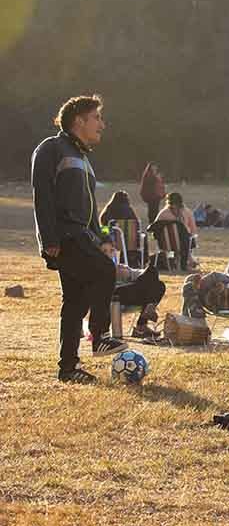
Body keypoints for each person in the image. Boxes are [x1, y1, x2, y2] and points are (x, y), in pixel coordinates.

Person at [31, 95, 127, 383]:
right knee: (105, 270)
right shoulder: (51, 148)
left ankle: (68, 369)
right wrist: (49, 238)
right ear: (79, 120)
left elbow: (92, 208)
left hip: (84, 237)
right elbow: (42, 195)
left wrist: (103, 238)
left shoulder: (84, 158)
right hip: (65, 236)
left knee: (74, 301)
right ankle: (100, 337)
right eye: (97, 117)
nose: (102, 124)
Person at [100, 241, 164, 339]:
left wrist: (129, 274)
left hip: (132, 292)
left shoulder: (119, 267)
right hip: (115, 295)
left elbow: (140, 275)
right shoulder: (98, 267)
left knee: (159, 283)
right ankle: (142, 323)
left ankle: (145, 316)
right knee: (153, 277)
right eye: (104, 251)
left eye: (111, 250)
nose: (108, 254)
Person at [155, 192, 199, 270]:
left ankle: (185, 260)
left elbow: (155, 227)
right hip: (185, 244)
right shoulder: (187, 212)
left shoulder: (163, 213)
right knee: (187, 238)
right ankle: (188, 260)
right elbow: (193, 230)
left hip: (166, 244)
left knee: (180, 239)